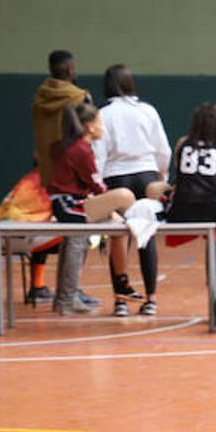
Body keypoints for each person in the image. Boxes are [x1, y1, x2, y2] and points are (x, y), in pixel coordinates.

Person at [45, 103, 136, 315]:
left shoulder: (73, 146)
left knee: (78, 239)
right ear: (89, 127)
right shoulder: (80, 149)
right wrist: (109, 203)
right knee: (125, 196)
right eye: (99, 122)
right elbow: (96, 185)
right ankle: (67, 299)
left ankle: (65, 298)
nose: (103, 127)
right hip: (69, 205)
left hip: (66, 204)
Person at [94, 64, 170, 316]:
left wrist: (98, 187)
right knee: (146, 235)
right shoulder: (148, 111)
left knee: (118, 238)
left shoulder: (103, 114)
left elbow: (99, 155)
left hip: (116, 178)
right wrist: (162, 176)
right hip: (147, 176)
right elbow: (163, 150)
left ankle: (121, 301)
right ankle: (151, 299)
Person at [30, 50, 93, 304]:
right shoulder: (79, 97)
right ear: (69, 70)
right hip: (74, 176)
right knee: (82, 235)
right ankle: (70, 292)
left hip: (47, 174)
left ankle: (47, 287)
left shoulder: (39, 99)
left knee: (65, 234)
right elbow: (85, 133)